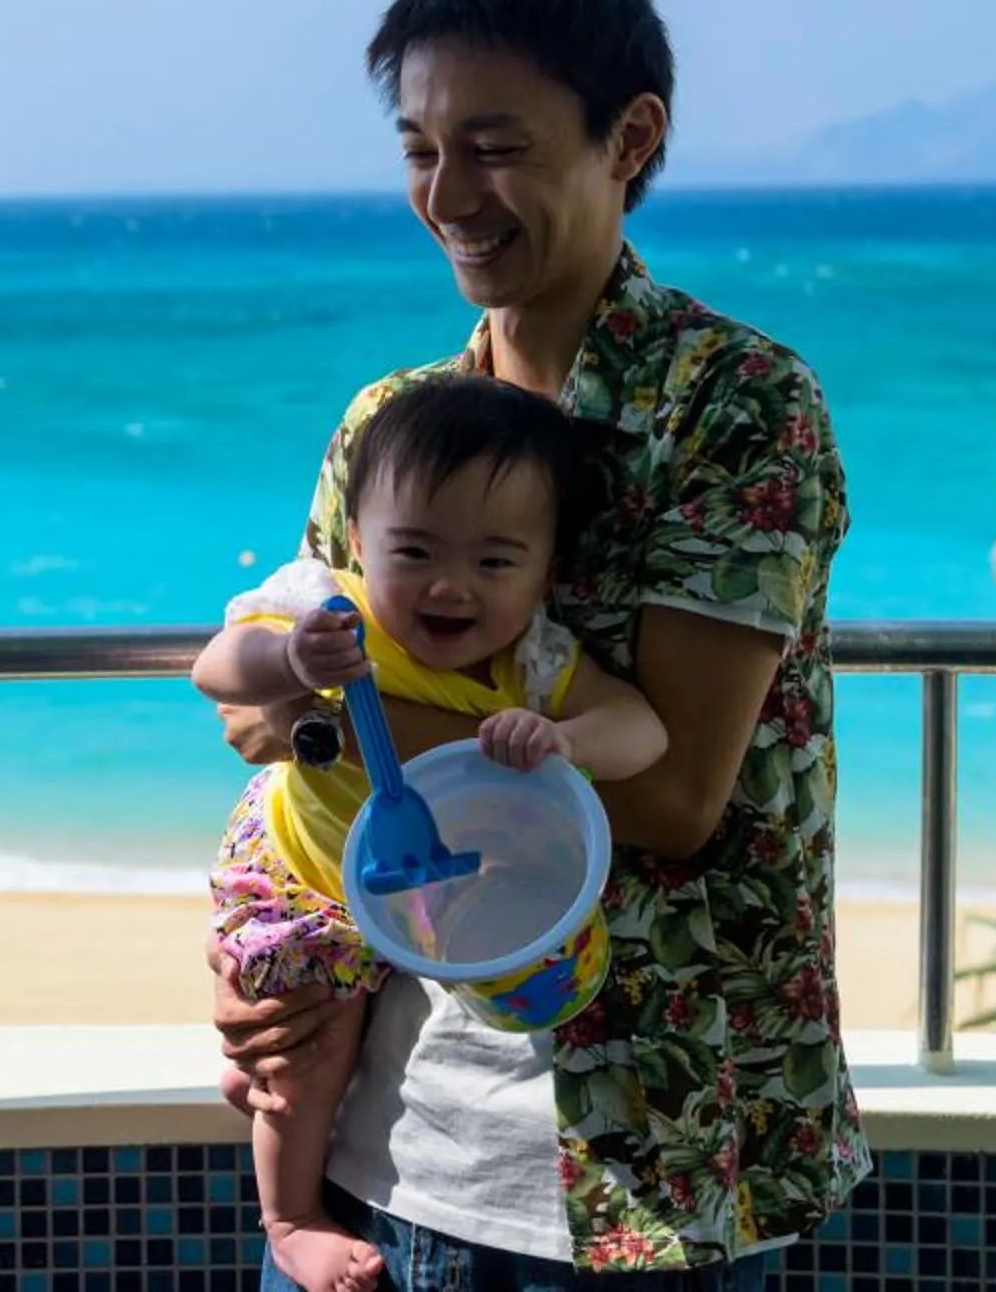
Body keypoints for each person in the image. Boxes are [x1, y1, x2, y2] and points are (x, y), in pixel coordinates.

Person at [219, 0, 863, 1288]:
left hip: (655, 1160)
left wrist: (334, 723)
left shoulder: (734, 407)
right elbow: (259, 723)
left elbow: (676, 795)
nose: (449, 193)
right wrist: (269, 958)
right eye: (419, 148)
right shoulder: (391, 423)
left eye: (495, 147)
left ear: (630, 137)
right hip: (386, 1141)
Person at [196, 375, 669, 1292]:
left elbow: (643, 731)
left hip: (423, 890)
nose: (450, 586)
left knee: (340, 1037)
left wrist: (567, 741)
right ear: (358, 538)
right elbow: (216, 670)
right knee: (307, 1050)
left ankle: (269, 1094)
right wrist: (287, 657)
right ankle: (290, 1218)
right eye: (413, 551)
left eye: (496, 562)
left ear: (546, 569)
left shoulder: (536, 662)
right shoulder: (326, 608)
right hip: (305, 874)